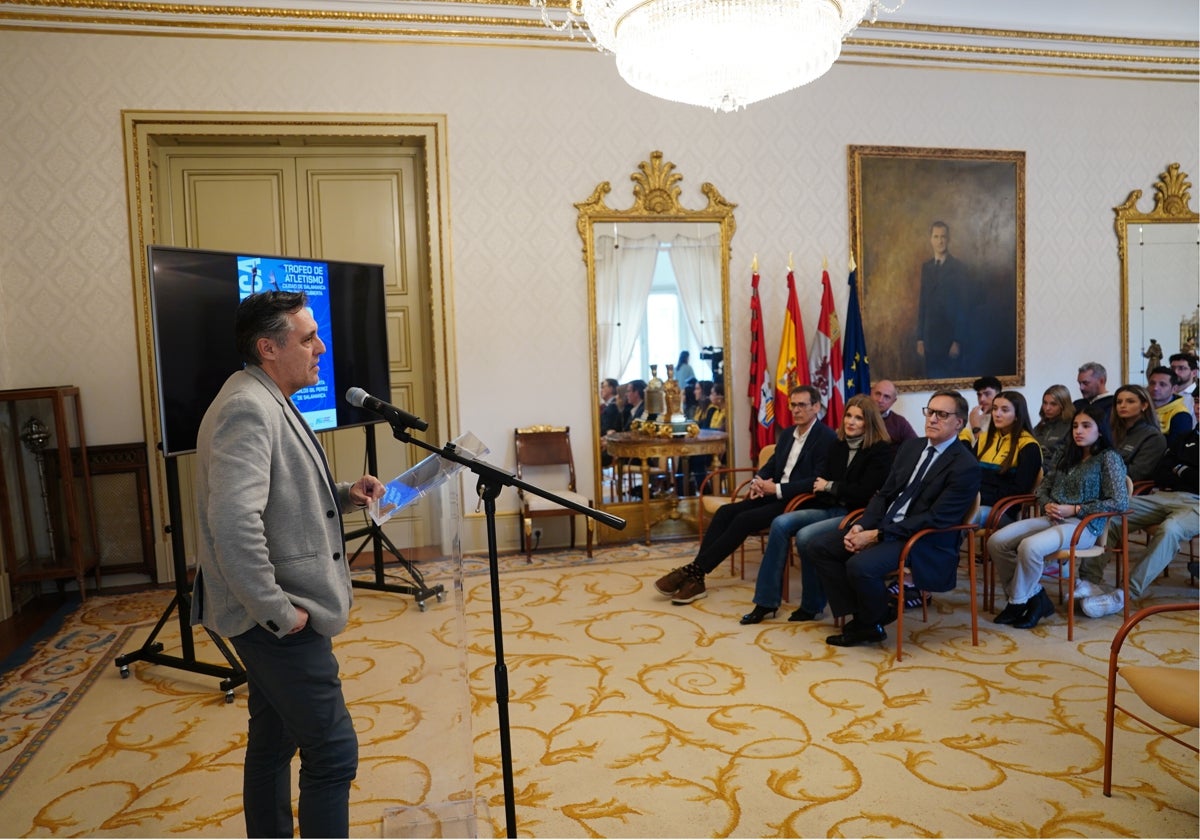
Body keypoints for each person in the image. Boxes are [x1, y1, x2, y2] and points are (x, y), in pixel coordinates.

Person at [191, 291, 386, 838]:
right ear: (267, 347)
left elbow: (280, 495)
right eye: (307, 338)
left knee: (273, 742)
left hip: (276, 610)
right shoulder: (246, 409)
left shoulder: (265, 396)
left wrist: (347, 493)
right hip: (276, 618)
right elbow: (233, 525)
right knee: (333, 752)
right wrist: (279, 613)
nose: (320, 347)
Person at [803, 391, 981, 647]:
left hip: (921, 540)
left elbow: (936, 518)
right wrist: (862, 525)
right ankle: (872, 617)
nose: (932, 419)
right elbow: (884, 494)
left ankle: (867, 621)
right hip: (886, 525)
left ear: (959, 423)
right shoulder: (912, 447)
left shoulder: (965, 466)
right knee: (819, 547)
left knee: (859, 566)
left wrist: (876, 536)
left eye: (942, 415)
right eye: (929, 412)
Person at [654, 385, 836, 606]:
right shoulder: (788, 434)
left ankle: (694, 572)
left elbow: (815, 481)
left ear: (816, 407)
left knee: (744, 519)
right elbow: (770, 465)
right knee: (724, 512)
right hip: (774, 493)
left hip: (799, 501)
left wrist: (776, 490)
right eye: (793, 405)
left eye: (802, 405)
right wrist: (757, 481)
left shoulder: (826, 438)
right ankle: (697, 575)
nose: (796, 410)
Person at [739, 394, 893, 625]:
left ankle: (811, 605)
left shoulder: (880, 450)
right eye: (848, 416)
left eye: (858, 418)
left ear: (869, 422)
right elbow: (819, 485)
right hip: (829, 507)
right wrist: (833, 488)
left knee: (805, 536)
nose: (850, 422)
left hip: (856, 515)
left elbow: (862, 492)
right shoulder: (838, 445)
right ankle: (766, 601)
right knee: (780, 523)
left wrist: (831, 487)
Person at [988, 408, 1128, 629]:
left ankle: (1016, 603)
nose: (1078, 431)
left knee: (1030, 547)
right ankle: (1035, 596)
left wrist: (1076, 509)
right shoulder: (1067, 455)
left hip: (1084, 526)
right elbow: (1042, 489)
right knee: (996, 542)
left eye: (1086, 426)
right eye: (1075, 426)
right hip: (1053, 518)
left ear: (1100, 431)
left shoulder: (1108, 458)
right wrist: (1047, 504)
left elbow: (1120, 502)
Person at [1080, 395, 1198, 613]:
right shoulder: (1184, 437)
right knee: (1114, 513)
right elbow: (1161, 472)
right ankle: (1090, 580)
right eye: (1198, 402)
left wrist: (1181, 469)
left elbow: (1179, 473)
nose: (1199, 408)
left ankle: (1125, 593)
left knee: (1170, 529)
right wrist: (1186, 473)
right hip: (1168, 495)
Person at [972, 390, 1042, 526]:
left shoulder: (1028, 446)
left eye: (1005, 410)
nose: (997, 414)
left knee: (968, 516)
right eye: (995, 409)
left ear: (1017, 415)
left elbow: (1018, 491)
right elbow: (969, 475)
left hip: (1003, 510)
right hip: (975, 501)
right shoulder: (983, 439)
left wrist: (979, 499)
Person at [915, 222, 969, 379]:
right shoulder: (926, 267)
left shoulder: (959, 268)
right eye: (936, 237)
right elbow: (923, 304)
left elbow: (963, 307)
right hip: (930, 340)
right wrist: (920, 338)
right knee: (931, 381)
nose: (940, 241)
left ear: (949, 239)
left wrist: (957, 341)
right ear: (931, 240)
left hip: (950, 340)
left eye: (943, 237)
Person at [1110, 383, 1168, 481]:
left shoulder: (1153, 437)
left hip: (1127, 488)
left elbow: (1136, 473)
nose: (1122, 406)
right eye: (1119, 402)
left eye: (1130, 401)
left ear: (1144, 405)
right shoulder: (1112, 431)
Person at [1032, 384, 1075, 484]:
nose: (1047, 408)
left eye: (1053, 404)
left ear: (1063, 406)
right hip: (1035, 468)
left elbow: (1067, 459)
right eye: (1045, 403)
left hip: (1054, 474)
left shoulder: (1071, 426)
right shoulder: (1040, 427)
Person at [1147, 366, 1194, 446]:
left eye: (1162, 384)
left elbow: (1175, 450)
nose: (1155, 388)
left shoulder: (1181, 415)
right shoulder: (1142, 407)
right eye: (1152, 383)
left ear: (1174, 389)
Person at [871, 379, 917, 452]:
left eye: (886, 397)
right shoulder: (859, 417)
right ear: (871, 393)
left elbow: (915, 447)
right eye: (878, 394)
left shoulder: (899, 423)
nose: (880, 400)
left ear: (893, 401)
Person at [1073, 362, 1114, 438]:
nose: (1081, 388)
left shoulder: (1114, 405)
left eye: (1086, 383)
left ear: (1101, 381)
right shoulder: (1077, 405)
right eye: (1079, 383)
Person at [968, 375, 1002, 444]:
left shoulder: (1003, 420)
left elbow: (989, 451)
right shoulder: (973, 417)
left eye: (987, 394)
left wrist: (975, 427)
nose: (981, 399)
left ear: (998, 395)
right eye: (979, 395)